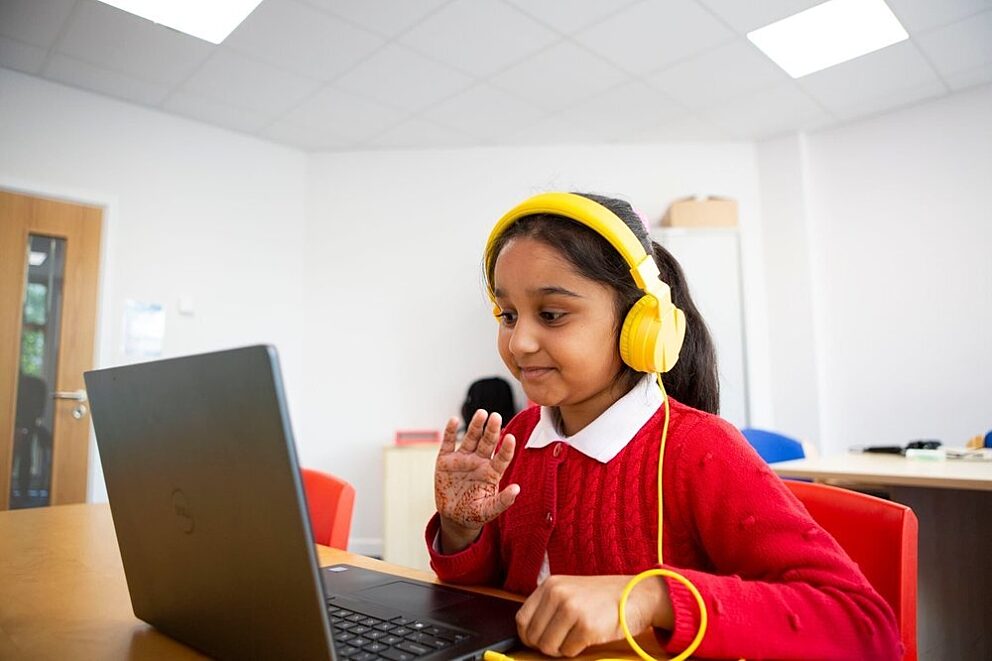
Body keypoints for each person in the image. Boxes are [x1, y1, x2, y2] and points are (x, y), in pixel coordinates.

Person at [426, 192, 901, 660]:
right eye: (507, 315)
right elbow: (493, 601)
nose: (520, 342)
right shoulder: (521, 436)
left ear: (642, 324)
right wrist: (462, 531)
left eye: (551, 314)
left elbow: (864, 627)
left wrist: (651, 598)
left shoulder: (699, 449)